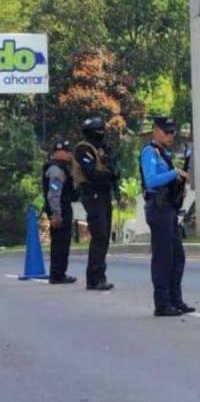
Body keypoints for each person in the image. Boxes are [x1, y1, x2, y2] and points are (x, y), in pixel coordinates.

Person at [140, 117, 195, 317]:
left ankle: (175, 299)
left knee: (177, 256)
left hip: (169, 208)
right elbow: (151, 180)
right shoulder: (150, 152)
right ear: (156, 131)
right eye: (166, 132)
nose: (170, 135)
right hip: (158, 207)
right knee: (163, 257)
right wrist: (174, 173)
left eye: (172, 132)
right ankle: (162, 303)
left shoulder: (165, 153)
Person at [74, 116, 117, 291]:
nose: (102, 134)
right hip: (93, 194)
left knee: (104, 236)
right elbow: (90, 173)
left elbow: (109, 167)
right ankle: (95, 277)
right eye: (99, 131)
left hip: (103, 195)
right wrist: (109, 175)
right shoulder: (84, 149)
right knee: (100, 236)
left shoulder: (101, 149)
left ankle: (97, 276)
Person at [43, 137, 78, 285]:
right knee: (59, 244)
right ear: (57, 153)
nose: (69, 154)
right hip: (60, 210)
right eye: (66, 151)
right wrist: (56, 214)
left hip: (63, 208)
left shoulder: (63, 168)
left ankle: (59, 273)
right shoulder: (56, 170)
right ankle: (57, 275)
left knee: (63, 243)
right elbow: (54, 193)